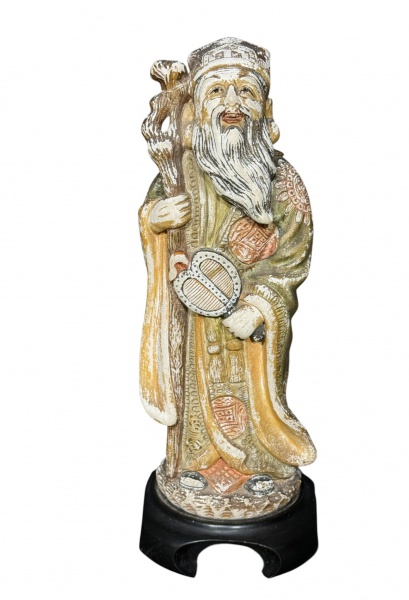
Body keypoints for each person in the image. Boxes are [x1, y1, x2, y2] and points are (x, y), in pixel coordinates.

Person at [139, 38, 316, 514]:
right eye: (217, 92)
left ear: (266, 108)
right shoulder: (179, 173)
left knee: (254, 395)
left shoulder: (281, 180)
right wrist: (155, 222)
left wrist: (260, 306)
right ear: (196, 109)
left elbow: (293, 255)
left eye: (246, 92)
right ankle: (192, 463)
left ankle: (263, 466)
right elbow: (152, 221)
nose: (232, 104)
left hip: (250, 330)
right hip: (194, 322)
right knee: (195, 393)